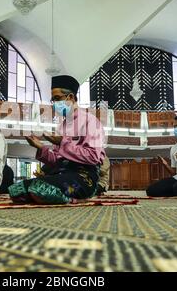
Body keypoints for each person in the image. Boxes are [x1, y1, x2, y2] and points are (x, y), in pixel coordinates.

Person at [8, 75, 106, 204]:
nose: (54, 104)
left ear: (70, 97)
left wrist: (61, 142)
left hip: (84, 177)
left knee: (39, 188)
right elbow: (57, 161)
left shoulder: (90, 121)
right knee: (15, 190)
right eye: (53, 100)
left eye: (57, 98)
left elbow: (93, 157)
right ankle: (52, 196)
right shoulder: (62, 126)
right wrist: (41, 148)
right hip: (62, 174)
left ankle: (73, 199)